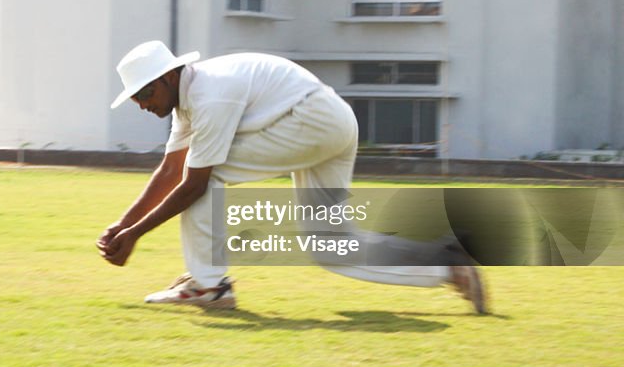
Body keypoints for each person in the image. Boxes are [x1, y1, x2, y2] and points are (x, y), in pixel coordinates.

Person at [96, 40, 488, 314]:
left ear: (167, 77)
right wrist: (124, 224)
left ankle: (209, 287)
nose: (144, 106)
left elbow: (193, 183)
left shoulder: (209, 96)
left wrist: (135, 236)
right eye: (136, 100)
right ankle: (447, 264)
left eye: (145, 95)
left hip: (311, 121)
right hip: (329, 121)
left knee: (204, 180)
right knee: (331, 246)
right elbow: (169, 169)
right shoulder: (189, 98)